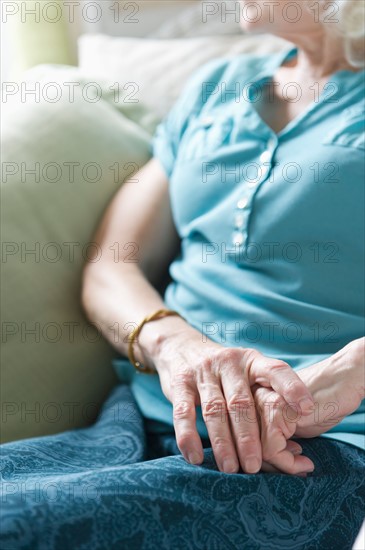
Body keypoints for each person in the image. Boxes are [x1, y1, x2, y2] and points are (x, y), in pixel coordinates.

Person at [1, 1, 364, 548]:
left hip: (304, 450)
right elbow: (112, 264)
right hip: (142, 418)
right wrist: (177, 348)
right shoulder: (217, 87)